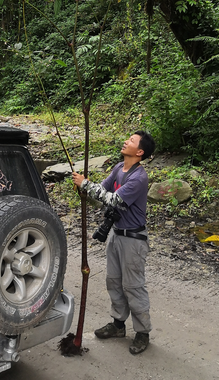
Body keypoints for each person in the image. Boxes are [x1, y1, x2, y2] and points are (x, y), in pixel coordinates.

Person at [71, 130, 156, 355]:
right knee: (114, 281)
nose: (126, 141)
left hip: (134, 239)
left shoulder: (139, 177)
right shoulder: (119, 168)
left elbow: (113, 199)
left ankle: (142, 332)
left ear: (139, 152)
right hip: (117, 234)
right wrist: (85, 190)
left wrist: (86, 184)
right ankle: (118, 325)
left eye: (132, 141)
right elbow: (103, 188)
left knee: (133, 286)